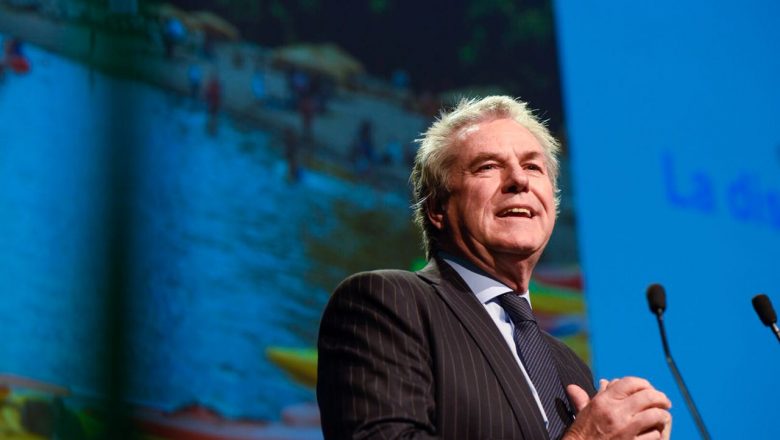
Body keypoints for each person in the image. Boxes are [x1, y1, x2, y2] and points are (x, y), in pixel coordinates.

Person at [317, 96, 672, 439]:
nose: (520, 180)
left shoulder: (568, 365)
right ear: (438, 208)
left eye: (533, 167)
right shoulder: (386, 303)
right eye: (487, 166)